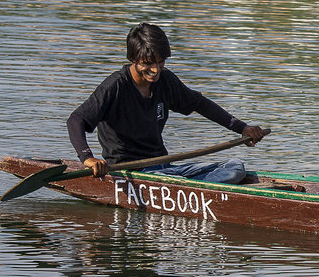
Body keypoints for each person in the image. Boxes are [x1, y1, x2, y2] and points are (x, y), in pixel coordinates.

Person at [67, 22, 266, 184]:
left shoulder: (166, 81)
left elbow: (200, 103)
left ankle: (199, 187)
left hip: (164, 166)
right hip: (129, 171)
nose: (155, 70)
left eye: (160, 62)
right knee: (177, 181)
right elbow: (76, 120)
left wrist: (242, 128)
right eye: (147, 63)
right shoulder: (115, 87)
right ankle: (199, 189)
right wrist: (87, 158)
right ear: (133, 59)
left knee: (234, 167)